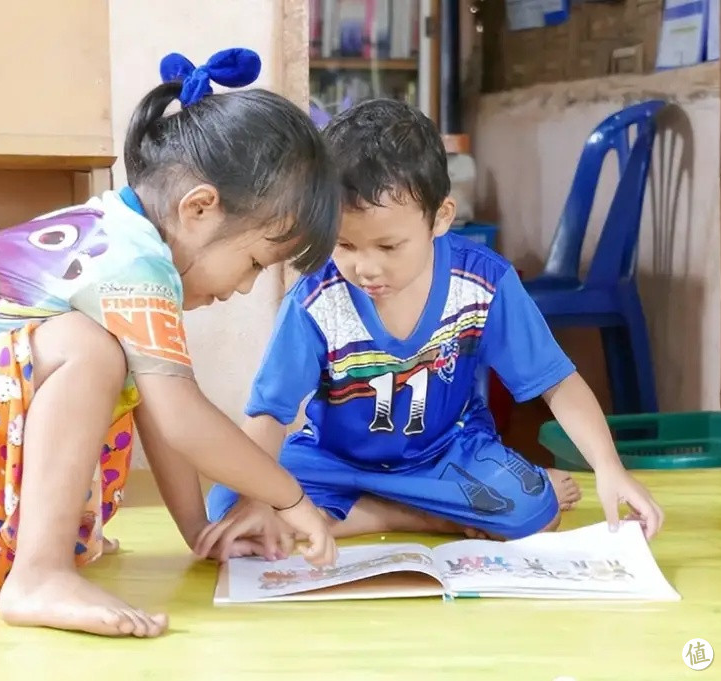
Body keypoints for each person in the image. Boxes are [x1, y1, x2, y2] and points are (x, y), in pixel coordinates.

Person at [0, 48, 340, 639]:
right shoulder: (130, 264)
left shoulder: (124, 243)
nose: (245, 286)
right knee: (89, 349)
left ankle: (40, 565)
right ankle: (37, 575)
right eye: (253, 261)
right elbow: (182, 420)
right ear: (199, 208)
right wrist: (291, 499)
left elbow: (160, 408)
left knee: (125, 363)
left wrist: (200, 530)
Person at [196, 99, 664, 560]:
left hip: (444, 456)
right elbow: (270, 414)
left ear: (440, 218)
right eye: (343, 244)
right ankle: (411, 516)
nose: (366, 267)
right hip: (333, 460)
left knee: (536, 514)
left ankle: (377, 512)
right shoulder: (316, 300)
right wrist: (257, 501)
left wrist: (609, 467)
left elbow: (556, 382)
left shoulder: (482, 282)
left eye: (389, 245)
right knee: (228, 506)